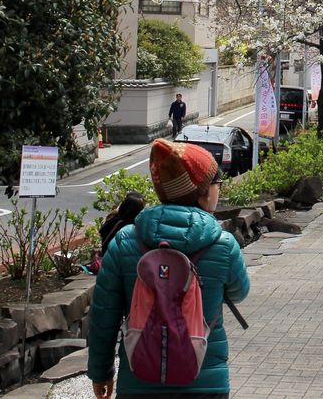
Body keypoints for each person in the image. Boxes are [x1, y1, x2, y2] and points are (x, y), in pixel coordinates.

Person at [88, 140, 250, 399]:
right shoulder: (223, 244)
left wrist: (101, 372)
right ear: (203, 191)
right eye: (217, 183)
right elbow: (240, 293)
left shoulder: (125, 241)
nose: (219, 190)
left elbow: (103, 316)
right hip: (205, 381)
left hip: (139, 381)